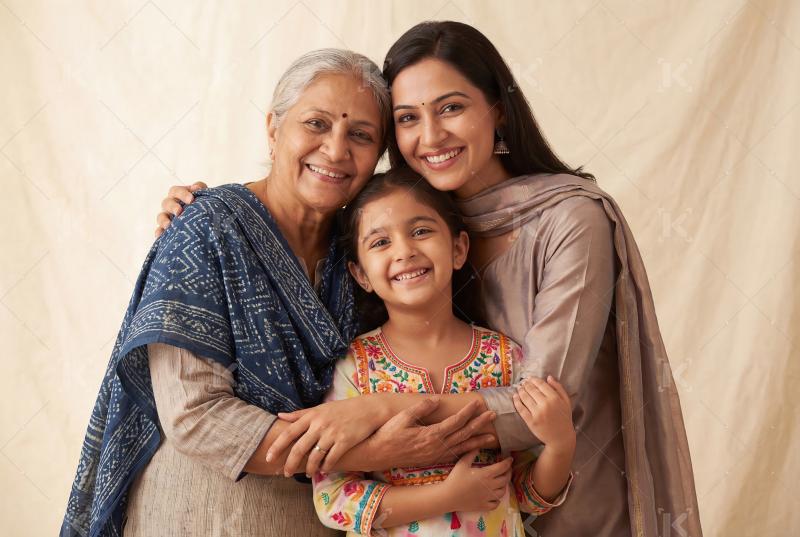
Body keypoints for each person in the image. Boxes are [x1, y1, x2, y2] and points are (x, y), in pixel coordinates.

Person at [154, 21, 702, 537]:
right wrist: (201, 216)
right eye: (409, 118)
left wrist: (373, 413)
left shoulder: (565, 220)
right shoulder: (385, 227)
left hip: (572, 499)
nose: (431, 135)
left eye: (452, 108)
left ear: (499, 111)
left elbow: (541, 405)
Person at [61, 49, 498, 537]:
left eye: (360, 135)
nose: (335, 150)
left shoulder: (363, 251)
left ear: (378, 156)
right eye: (316, 124)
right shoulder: (207, 230)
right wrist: (372, 453)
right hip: (202, 514)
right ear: (273, 129)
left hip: (326, 517)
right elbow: (195, 415)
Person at [312, 169, 575, 536]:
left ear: (458, 249)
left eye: (420, 231)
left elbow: (526, 494)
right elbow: (333, 499)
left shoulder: (506, 357)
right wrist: (446, 497)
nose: (404, 251)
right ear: (361, 275)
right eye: (380, 242)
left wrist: (560, 445)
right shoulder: (354, 367)